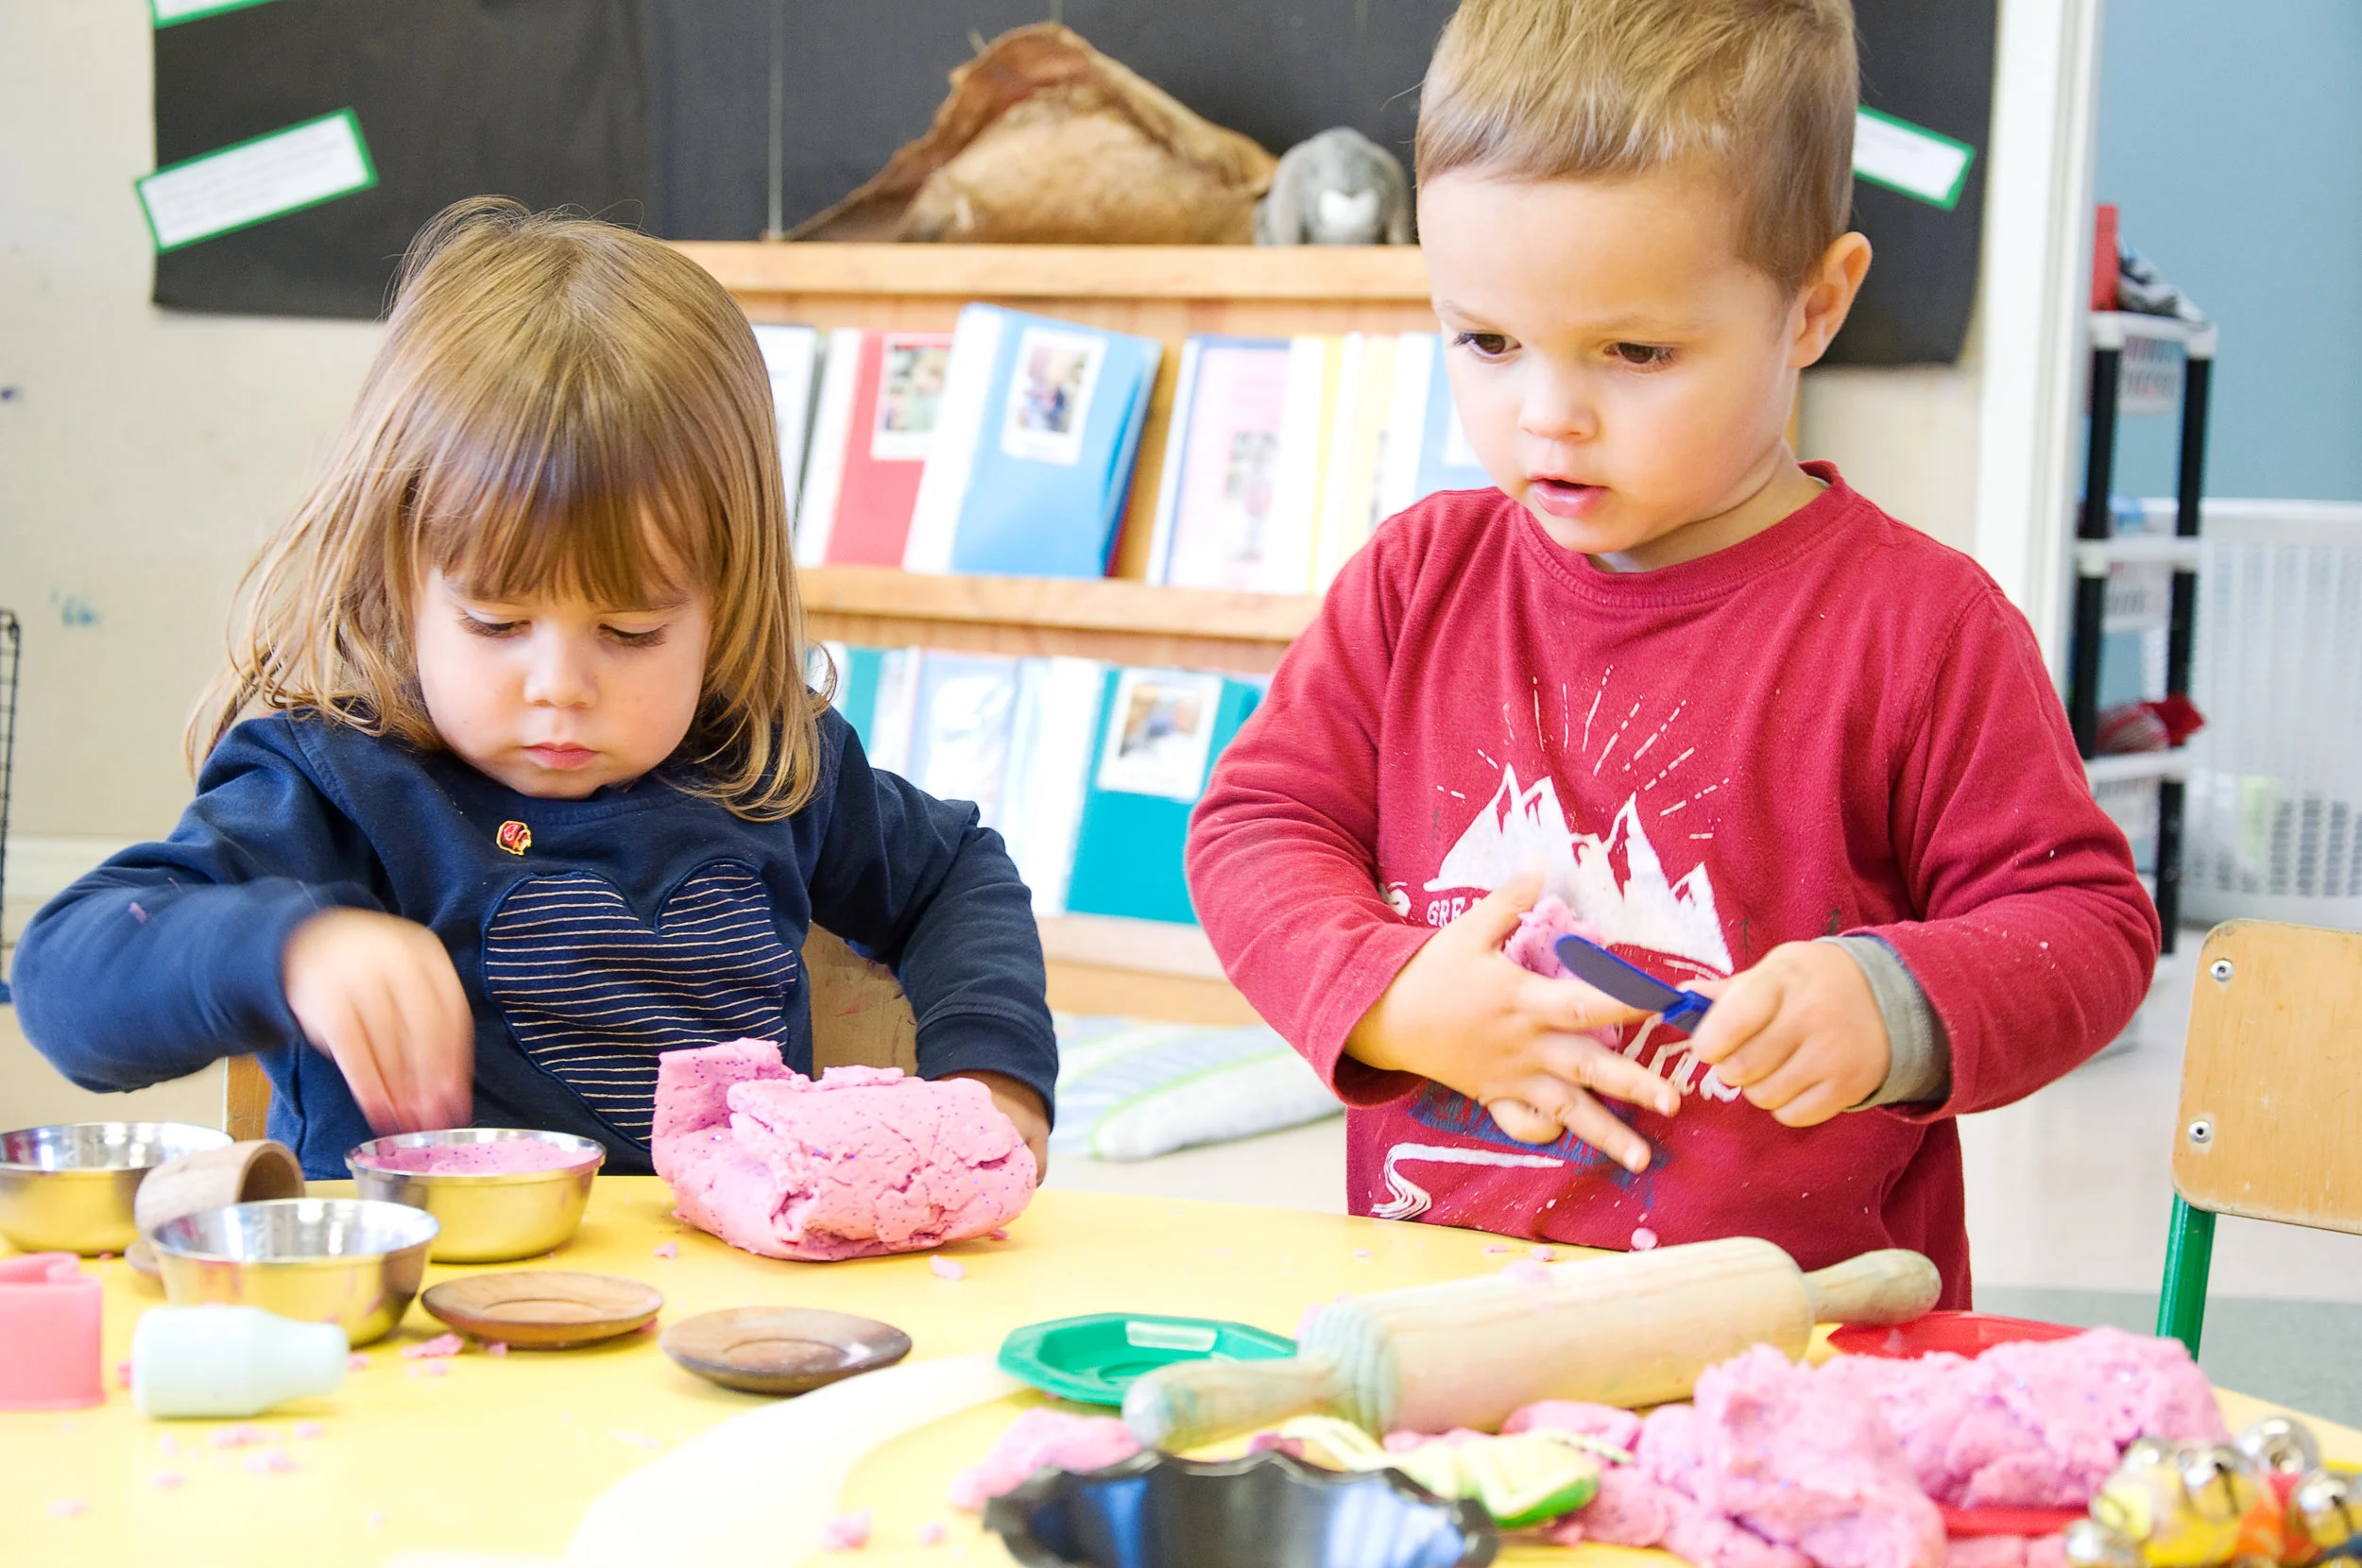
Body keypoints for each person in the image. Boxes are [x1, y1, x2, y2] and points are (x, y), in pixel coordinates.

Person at [1184, 0, 2158, 1305]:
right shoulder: (1417, 582)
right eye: (1484, 341)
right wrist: (1391, 994)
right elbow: (1256, 827)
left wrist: (1898, 1004)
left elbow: (2089, 929)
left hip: (1798, 1355)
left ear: (1815, 305)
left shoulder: (1922, 628)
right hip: (1443, 1322)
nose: (1548, 415)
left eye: (1635, 352)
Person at [15, 198, 1054, 1180]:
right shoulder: (336, 778)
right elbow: (66, 983)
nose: (560, 686)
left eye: (632, 631)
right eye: (497, 623)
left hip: (721, 1316)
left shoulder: (768, 760)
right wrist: (287, 947)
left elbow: (956, 871)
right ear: (398, 580)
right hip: (422, 1329)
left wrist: (989, 1082)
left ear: (723, 604)